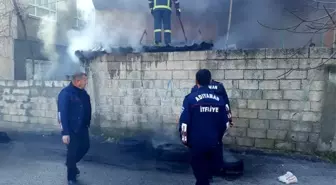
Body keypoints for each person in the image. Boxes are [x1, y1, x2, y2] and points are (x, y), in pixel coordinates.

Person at [179, 69, 230, 185]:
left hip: (197, 144)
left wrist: (186, 142)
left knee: (201, 177)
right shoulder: (220, 99)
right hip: (214, 144)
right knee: (206, 176)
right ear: (210, 81)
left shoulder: (190, 99)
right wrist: (218, 139)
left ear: (196, 81)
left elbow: (184, 123)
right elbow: (225, 124)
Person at [190, 79, 233, 177]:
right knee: (217, 142)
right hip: (216, 120)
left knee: (202, 143)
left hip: (201, 121)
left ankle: (204, 170)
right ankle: (216, 167)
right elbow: (226, 105)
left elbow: (191, 105)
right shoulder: (219, 86)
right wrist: (229, 119)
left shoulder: (196, 87)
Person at [57, 72, 91, 185]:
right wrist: (65, 132)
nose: (86, 82)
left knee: (85, 147)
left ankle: (70, 163)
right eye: (85, 80)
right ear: (77, 81)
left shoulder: (83, 93)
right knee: (72, 152)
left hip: (82, 127)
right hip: (71, 129)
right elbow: (62, 114)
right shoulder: (65, 94)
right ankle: (71, 178)